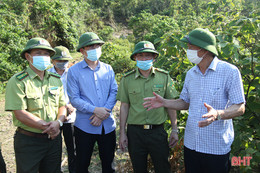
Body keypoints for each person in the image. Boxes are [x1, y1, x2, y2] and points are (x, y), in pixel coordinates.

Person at [143, 28, 246, 173]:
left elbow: (240, 107)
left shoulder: (229, 72)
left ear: (204, 50)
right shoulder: (191, 73)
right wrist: (165, 102)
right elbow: (185, 102)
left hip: (215, 146)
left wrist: (218, 114)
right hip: (192, 144)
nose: (187, 50)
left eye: (191, 47)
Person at [5, 37, 66, 173]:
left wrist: (59, 123)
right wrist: (48, 127)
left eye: (46, 54)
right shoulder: (18, 81)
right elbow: (20, 112)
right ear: (28, 56)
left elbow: (62, 106)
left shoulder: (56, 80)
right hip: (29, 141)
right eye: (38, 53)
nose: (43, 57)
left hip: (53, 140)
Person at [116, 41, 179, 173]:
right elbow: (124, 106)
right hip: (135, 133)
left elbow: (171, 104)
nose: (144, 59)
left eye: (148, 56)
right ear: (135, 58)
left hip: (157, 132)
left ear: (154, 58)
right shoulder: (127, 79)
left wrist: (174, 129)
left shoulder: (164, 77)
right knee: (139, 168)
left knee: (163, 168)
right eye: (140, 56)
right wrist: (122, 133)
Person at [67, 32, 118, 173]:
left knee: (109, 164)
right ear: (82, 51)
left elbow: (114, 92)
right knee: (82, 164)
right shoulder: (73, 71)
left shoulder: (108, 69)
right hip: (85, 126)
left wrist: (103, 112)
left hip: (107, 125)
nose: (95, 49)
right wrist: (95, 110)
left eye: (97, 46)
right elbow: (74, 99)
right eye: (90, 47)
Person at [49, 46, 76, 173]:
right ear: (52, 61)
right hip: (53, 118)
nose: (62, 63)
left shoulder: (73, 73)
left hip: (71, 118)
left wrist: (72, 105)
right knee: (54, 149)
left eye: (65, 61)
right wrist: (65, 106)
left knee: (73, 149)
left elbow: (79, 93)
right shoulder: (46, 75)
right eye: (59, 61)